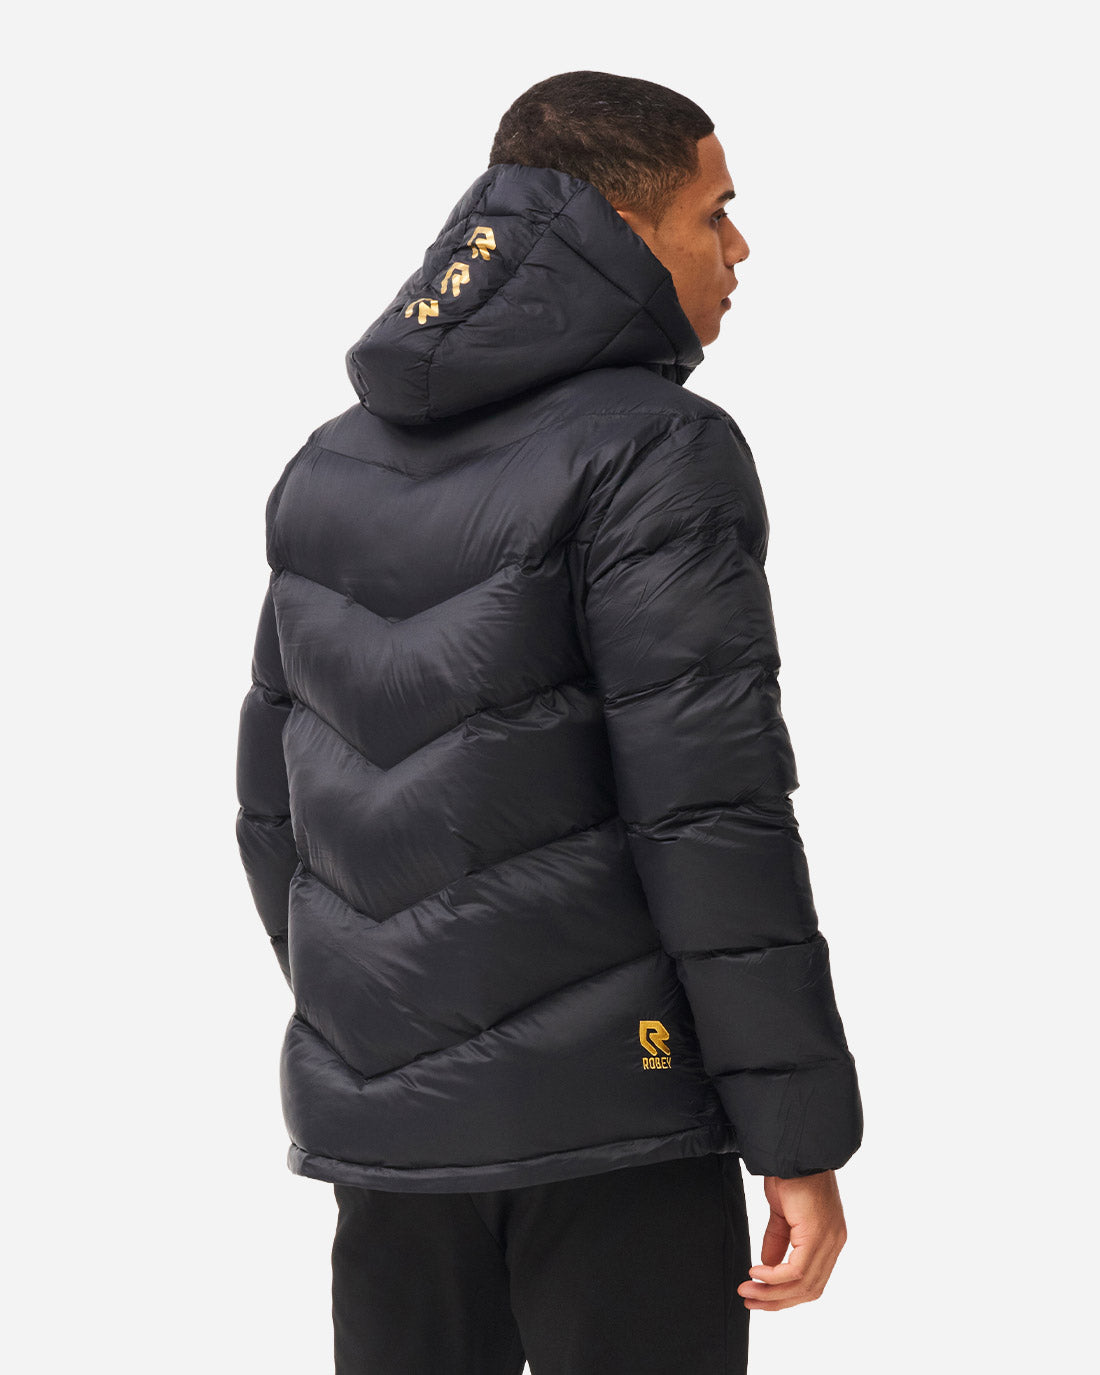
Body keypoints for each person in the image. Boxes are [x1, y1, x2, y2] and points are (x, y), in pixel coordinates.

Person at [235, 69, 863, 1375]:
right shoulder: (656, 448)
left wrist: (397, 1035)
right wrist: (797, 1135)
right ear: (619, 229)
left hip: (390, 1144)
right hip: (613, 1133)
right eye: (714, 212)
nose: (740, 247)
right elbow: (711, 814)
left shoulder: (331, 461)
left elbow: (273, 813)